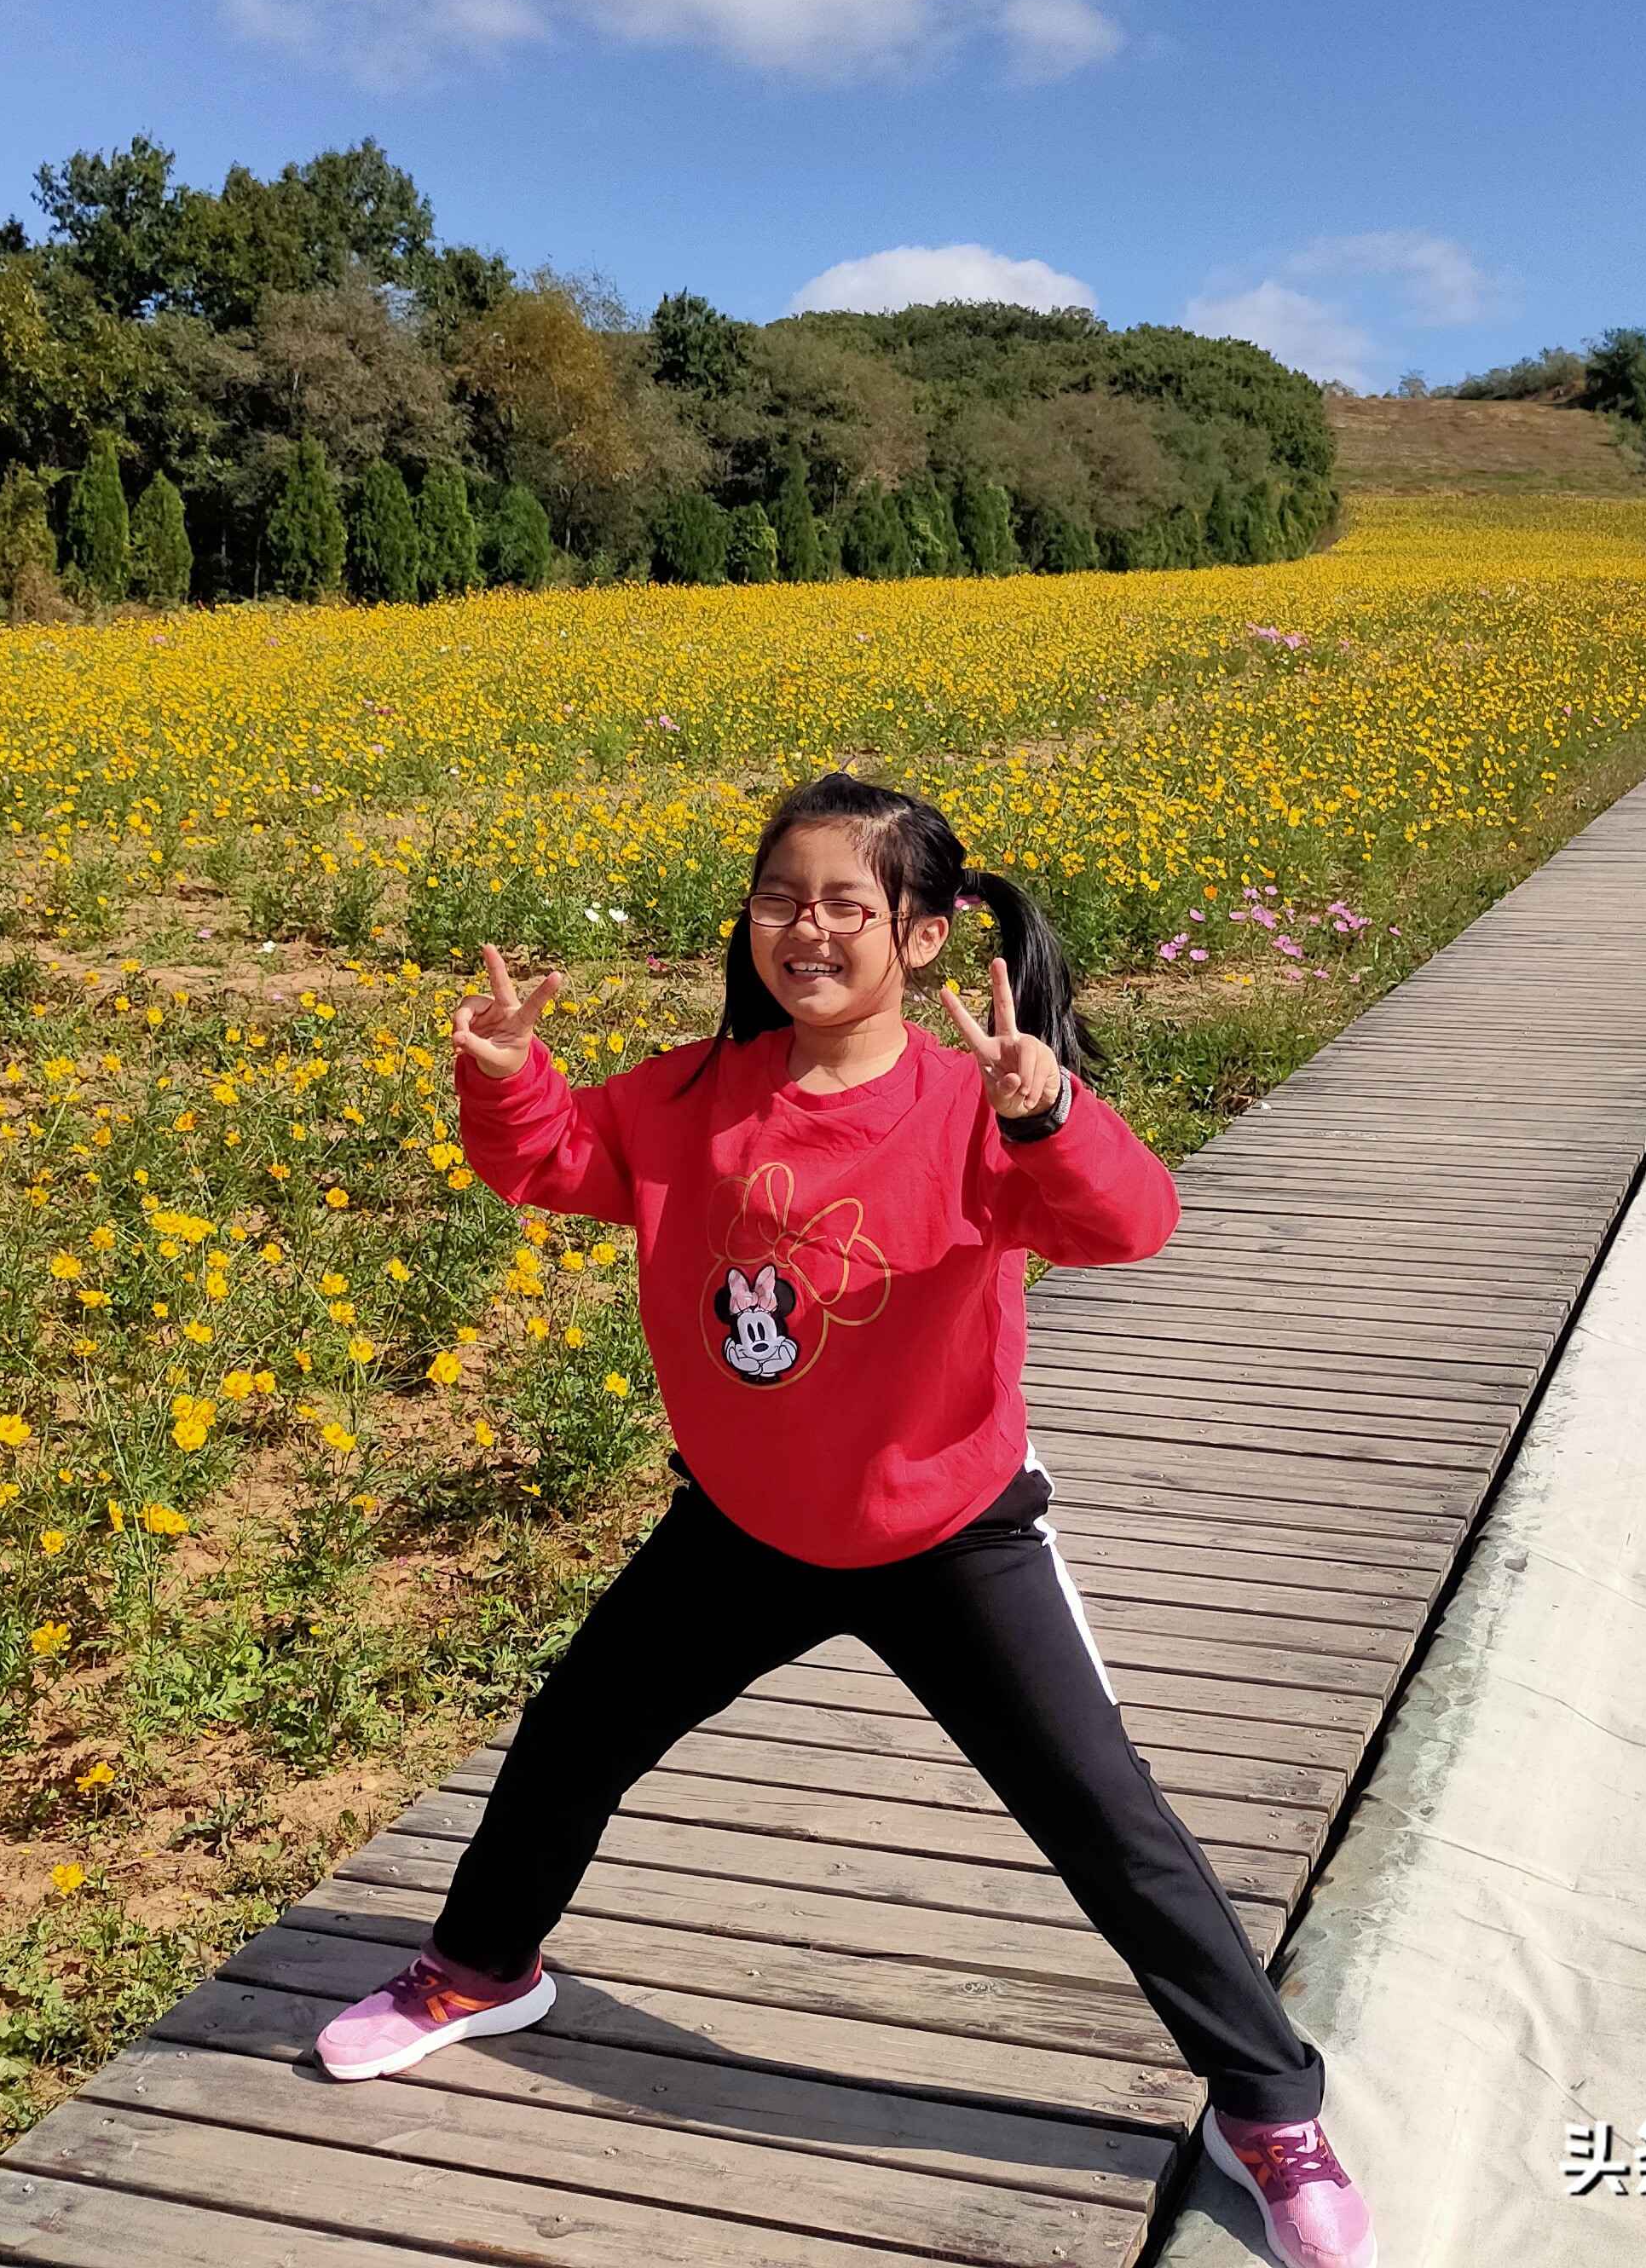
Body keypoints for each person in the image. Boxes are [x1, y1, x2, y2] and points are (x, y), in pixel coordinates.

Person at [314, 770, 1375, 2268]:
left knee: (1106, 1820)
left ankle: (1267, 2105)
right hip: (744, 1527)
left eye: (843, 906)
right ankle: (483, 1968)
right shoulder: (693, 1095)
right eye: (777, 900)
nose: (804, 930)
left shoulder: (972, 1109)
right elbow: (554, 1161)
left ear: (925, 936)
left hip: (950, 1533)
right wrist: (506, 1073)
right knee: (571, 1741)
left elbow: (1131, 1225)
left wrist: (1047, 1110)